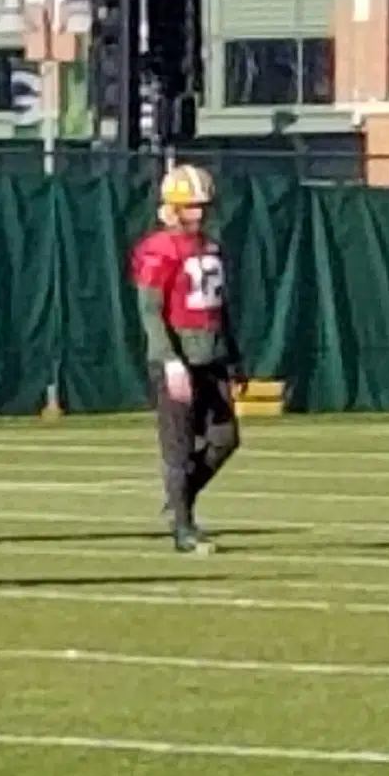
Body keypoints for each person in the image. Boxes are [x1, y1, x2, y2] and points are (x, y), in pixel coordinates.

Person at [131, 163, 239, 555]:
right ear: (173, 209)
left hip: (211, 354)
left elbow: (219, 307)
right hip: (177, 357)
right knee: (176, 447)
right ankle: (183, 526)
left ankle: (180, 498)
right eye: (191, 206)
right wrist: (168, 357)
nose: (200, 213)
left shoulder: (210, 247)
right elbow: (149, 309)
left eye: (203, 206)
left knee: (225, 439)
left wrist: (233, 356)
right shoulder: (158, 249)